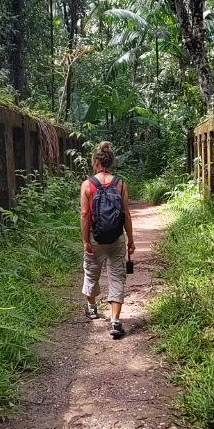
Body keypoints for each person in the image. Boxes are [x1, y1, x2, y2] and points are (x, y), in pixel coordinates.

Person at [80, 141, 135, 339]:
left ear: (96, 162)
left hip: (95, 238)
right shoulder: (120, 183)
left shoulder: (87, 184)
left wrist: (86, 241)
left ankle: (92, 308)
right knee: (117, 277)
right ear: (111, 163)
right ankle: (115, 321)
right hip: (117, 238)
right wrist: (130, 239)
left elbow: (85, 215)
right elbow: (126, 214)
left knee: (91, 272)